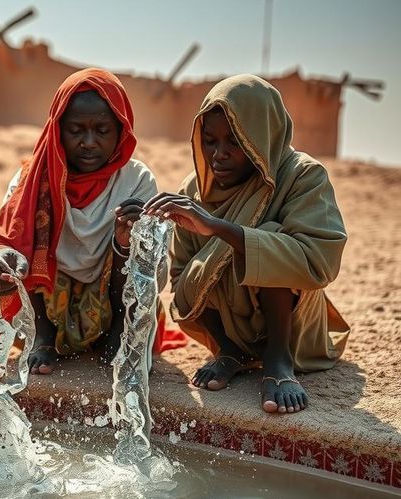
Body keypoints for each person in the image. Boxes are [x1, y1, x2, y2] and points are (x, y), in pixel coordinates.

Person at [143, 74, 349, 414]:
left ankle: (277, 359)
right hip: (229, 324)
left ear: (262, 134)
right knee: (204, 263)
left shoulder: (302, 176)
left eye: (235, 142)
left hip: (293, 328)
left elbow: (319, 262)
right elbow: (181, 280)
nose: (218, 155)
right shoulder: (195, 190)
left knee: (270, 237)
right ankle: (228, 351)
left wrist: (218, 228)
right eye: (209, 141)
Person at [0, 68, 181, 376]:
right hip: (47, 305)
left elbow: (155, 268)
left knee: (138, 236)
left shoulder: (136, 181)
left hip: (114, 297)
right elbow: (8, 238)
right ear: (58, 130)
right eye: (76, 131)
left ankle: (119, 334)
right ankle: (43, 336)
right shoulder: (33, 178)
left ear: (121, 131)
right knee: (31, 225)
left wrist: (127, 240)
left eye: (102, 131)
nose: (89, 142)